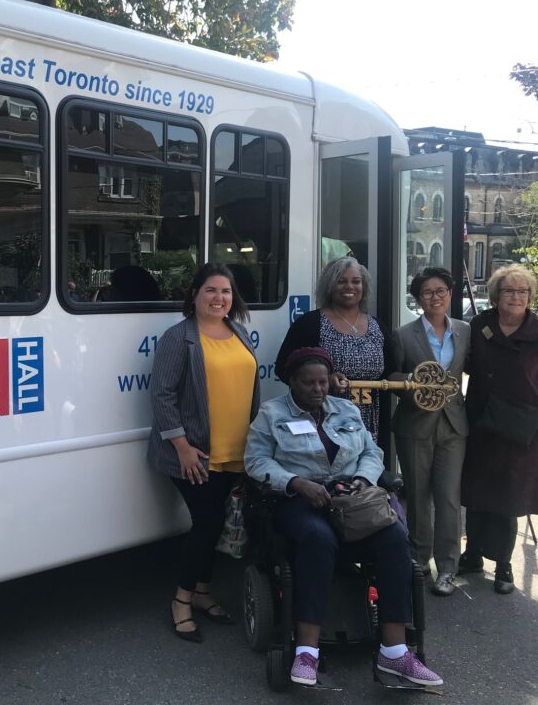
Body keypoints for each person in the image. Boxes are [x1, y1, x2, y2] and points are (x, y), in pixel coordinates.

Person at [245, 347, 443, 687]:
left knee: (395, 537)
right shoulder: (271, 413)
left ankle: (394, 652)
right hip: (300, 500)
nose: (318, 389)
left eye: (323, 382)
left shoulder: (346, 409)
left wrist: (363, 479)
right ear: (292, 382)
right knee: (318, 537)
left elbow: (372, 451)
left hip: (352, 499)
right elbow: (256, 461)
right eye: (308, 383)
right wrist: (296, 483)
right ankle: (307, 651)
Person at [147, 262, 260, 643]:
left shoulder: (238, 332)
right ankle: (181, 600)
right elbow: (162, 395)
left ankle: (202, 590)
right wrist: (181, 446)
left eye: (225, 291)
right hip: (195, 455)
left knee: (217, 524)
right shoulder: (179, 338)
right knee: (207, 524)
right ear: (194, 294)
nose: (219, 298)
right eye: (211, 290)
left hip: (235, 452)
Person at [460, 264, 538, 594]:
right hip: (481, 421)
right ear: (496, 295)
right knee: (475, 492)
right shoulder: (480, 325)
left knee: (508, 498)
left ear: (530, 296)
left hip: (519, 427)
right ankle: (472, 555)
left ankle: (503, 565)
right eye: (508, 291)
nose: (515, 297)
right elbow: (469, 364)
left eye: (522, 291)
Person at [387, 268, 470, 596]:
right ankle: (419, 559)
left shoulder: (464, 330)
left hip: (453, 424)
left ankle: (448, 567)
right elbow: (391, 375)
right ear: (418, 299)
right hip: (415, 423)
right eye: (427, 292)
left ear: (450, 293)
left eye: (441, 291)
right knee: (418, 495)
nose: (435, 297)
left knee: (449, 497)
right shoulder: (403, 335)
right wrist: (414, 384)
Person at [275, 256, 390, 442]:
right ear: (329, 286)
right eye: (341, 281)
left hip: (371, 424)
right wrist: (324, 380)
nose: (349, 287)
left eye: (356, 281)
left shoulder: (378, 327)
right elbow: (283, 369)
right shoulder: (309, 324)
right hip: (322, 421)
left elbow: (390, 372)